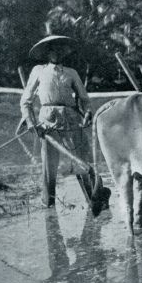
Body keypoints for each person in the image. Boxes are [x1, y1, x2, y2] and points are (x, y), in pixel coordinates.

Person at [20, 35, 109, 209]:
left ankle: (93, 201)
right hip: (47, 122)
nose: (56, 53)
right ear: (47, 53)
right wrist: (30, 122)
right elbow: (26, 101)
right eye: (52, 49)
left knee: (81, 161)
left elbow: (84, 99)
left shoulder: (71, 73)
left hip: (71, 120)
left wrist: (88, 112)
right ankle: (49, 205)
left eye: (59, 49)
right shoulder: (39, 71)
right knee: (49, 167)